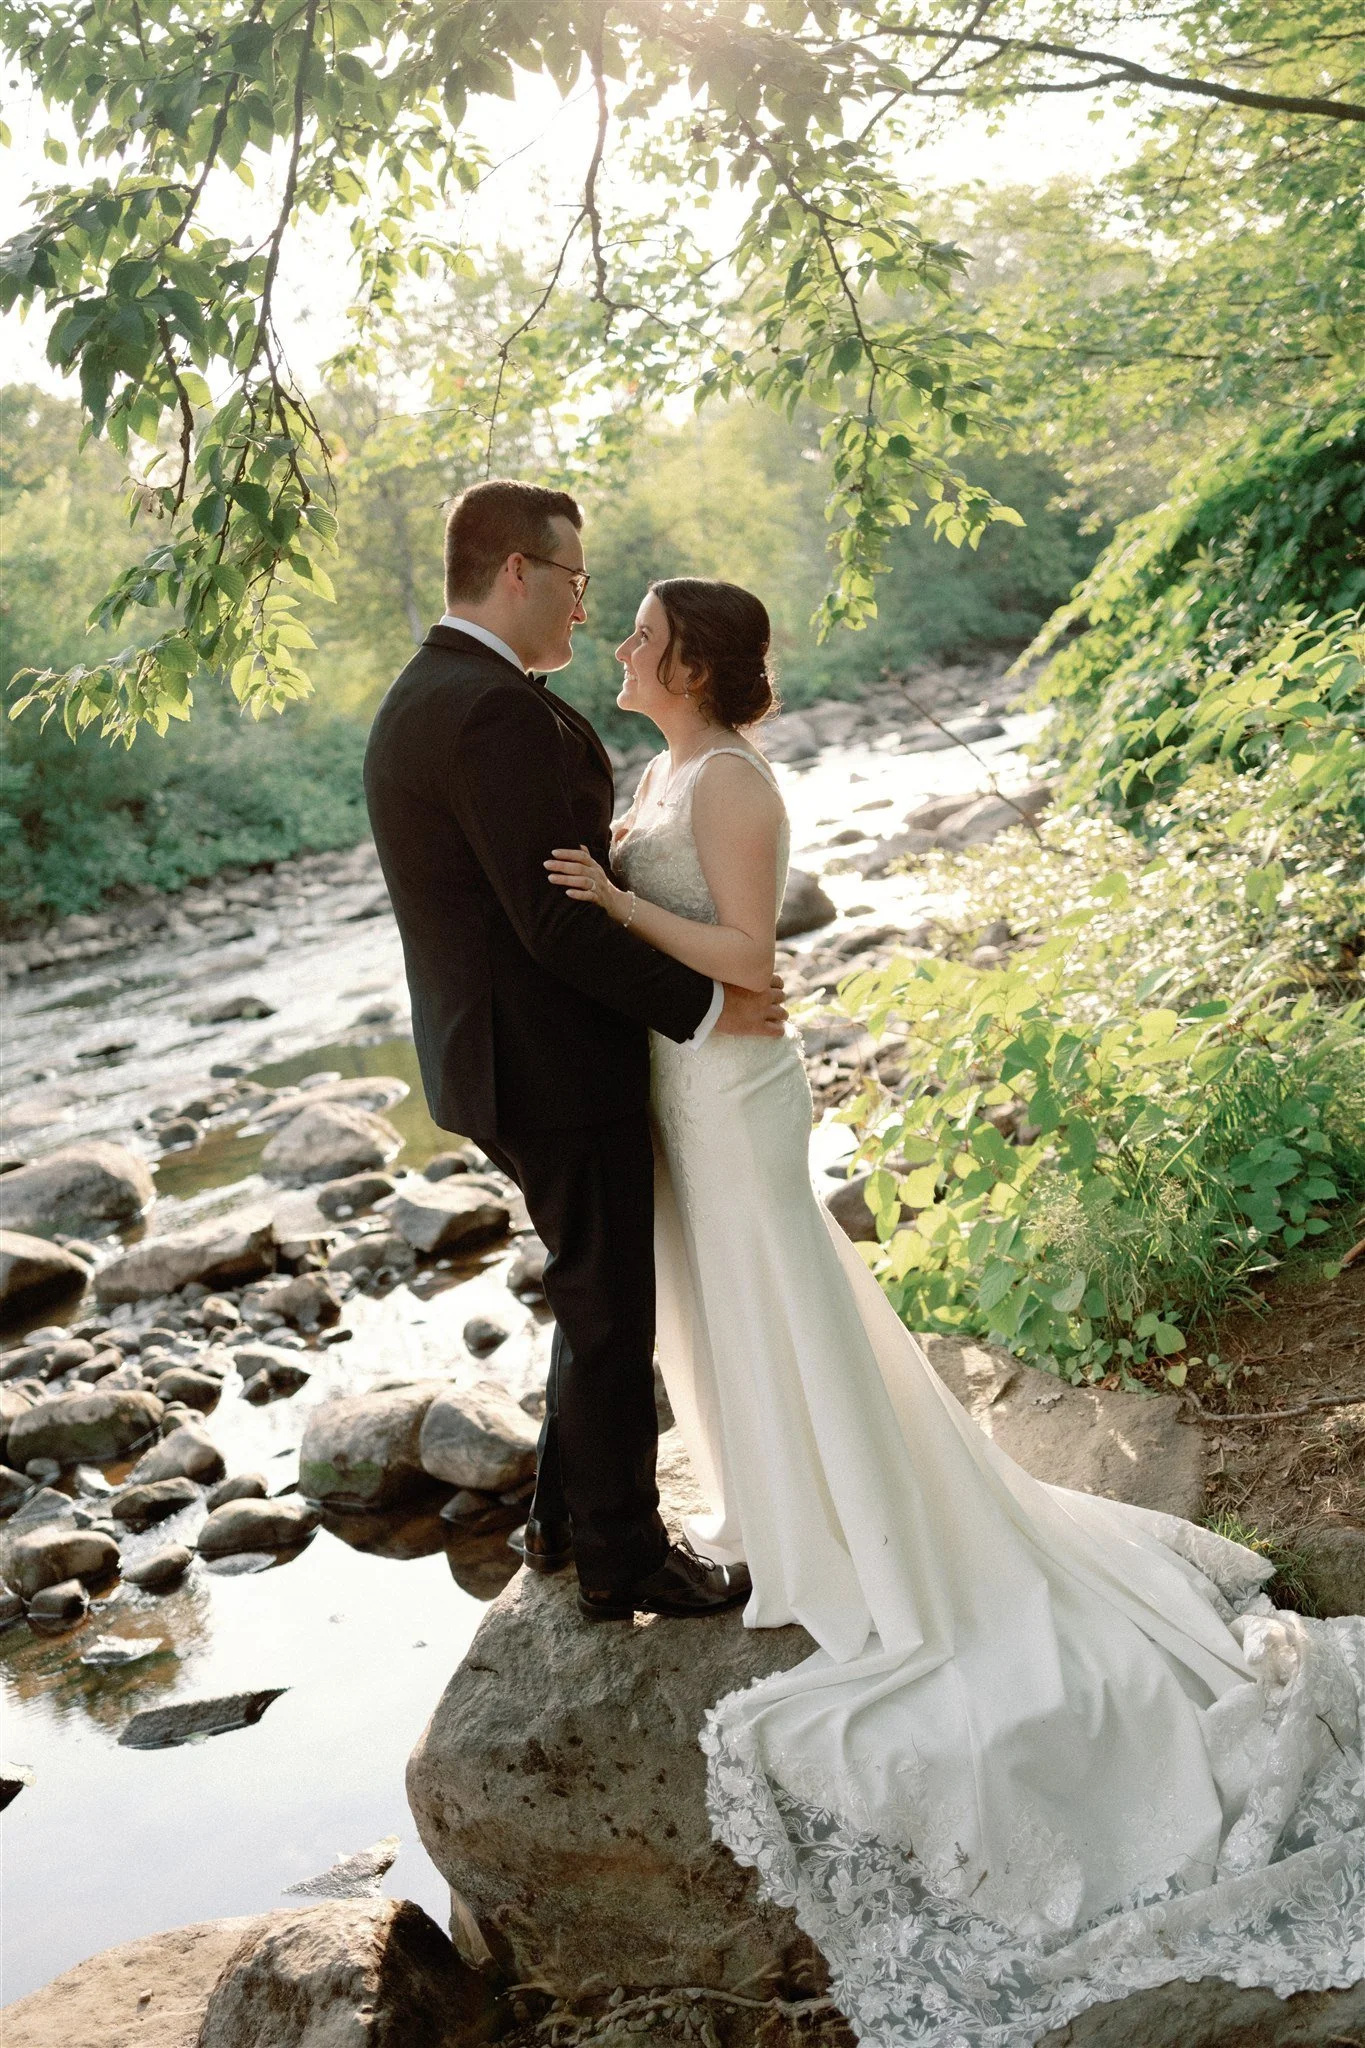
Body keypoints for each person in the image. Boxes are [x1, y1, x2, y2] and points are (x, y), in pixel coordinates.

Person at [544, 574, 1365, 2046]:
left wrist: (610, 902)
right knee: (723, 1310)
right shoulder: (654, 768)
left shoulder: (729, 780)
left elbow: (750, 959)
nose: (619, 646)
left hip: (732, 1081)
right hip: (678, 1082)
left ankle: (858, 1530)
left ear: (692, 659)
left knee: (785, 1292)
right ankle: (778, 1510)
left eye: (641, 631)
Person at [364, 481, 788, 1622]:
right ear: (517, 571)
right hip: (545, 1061)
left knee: (588, 1282)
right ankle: (622, 1555)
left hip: (494, 1056)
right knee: (608, 1304)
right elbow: (551, 919)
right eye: (575, 583)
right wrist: (706, 1003)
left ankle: (559, 1515)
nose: (584, 611)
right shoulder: (489, 708)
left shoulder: (427, 693)